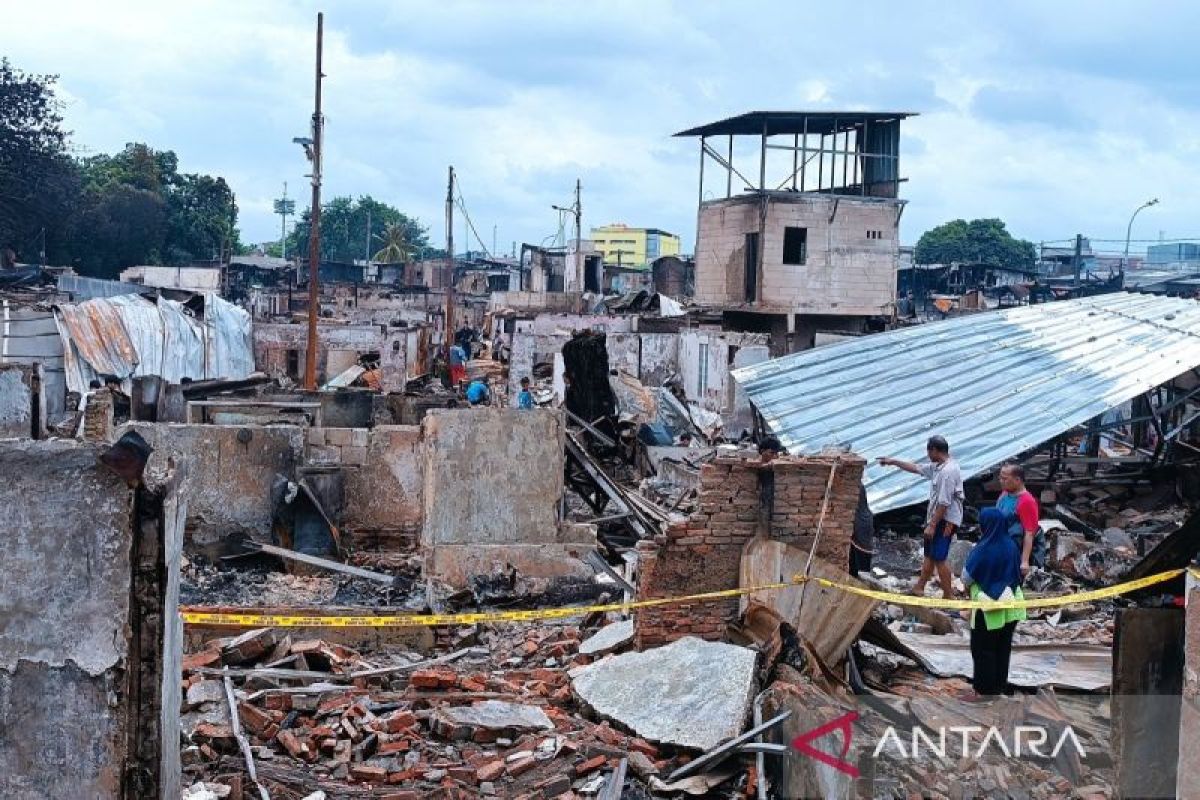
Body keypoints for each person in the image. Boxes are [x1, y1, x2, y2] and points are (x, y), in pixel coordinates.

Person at [878, 435, 964, 599]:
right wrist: (893, 462)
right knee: (929, 554)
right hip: (937, 517)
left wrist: (932, 524)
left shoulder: (947, 472)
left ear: (934, 450)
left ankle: (948, 594)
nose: (927, 455)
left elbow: (944, 502)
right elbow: (917, 468)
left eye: (928, 451)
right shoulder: (939, 466)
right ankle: (919, 587)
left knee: (939, 557)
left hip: (945, 520)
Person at [962, 507, 1027, 698]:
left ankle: (984, 690)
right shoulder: (1012, 546)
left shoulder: (981, 549)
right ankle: (999, 686)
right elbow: (1018, 574)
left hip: (987, 607)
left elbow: (966, 578)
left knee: (983, 649)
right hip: (1010, 606)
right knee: (1002, 647)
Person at [996, 463, 1045, 576]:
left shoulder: (1027, 501)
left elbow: (1029, 533)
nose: (1001, 481)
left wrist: (1024, 562)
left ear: (1017, 480)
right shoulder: (1004, 494)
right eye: (1000, 478)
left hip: (1016, 545)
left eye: (1004, 479)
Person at [849, 483, 875, 576]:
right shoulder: (860, 486)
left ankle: (859, 575)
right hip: (863, 522)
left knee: (860, 556)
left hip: (860, 525)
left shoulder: (857, 487)